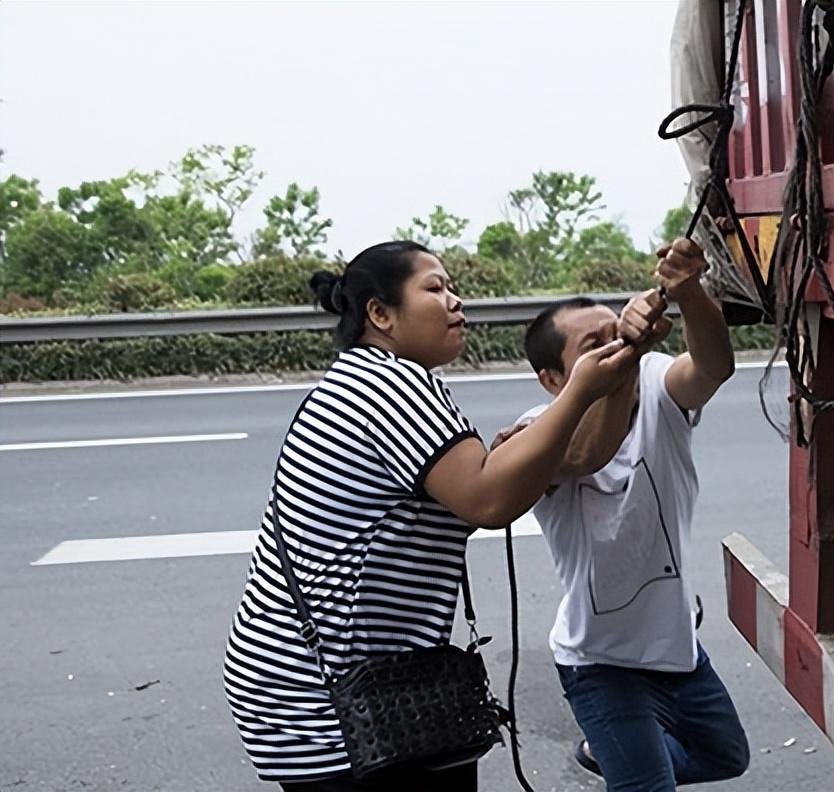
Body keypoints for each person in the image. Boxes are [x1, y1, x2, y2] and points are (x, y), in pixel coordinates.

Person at [222, 241, 639, 791]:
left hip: (351, 678)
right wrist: (581, 387)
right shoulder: (388, 385)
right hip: (328, 695)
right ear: (380, 313)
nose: (456, 302)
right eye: (435, 288)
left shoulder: (373, 377)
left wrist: (625, 365)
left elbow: (581, 457)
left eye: (453, 288)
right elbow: (488, 500)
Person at [498, 238, 750, 791]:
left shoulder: (657, 382)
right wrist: (628, 353)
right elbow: (587, 453)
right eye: (596, 344)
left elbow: (714, 365)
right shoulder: (538, 430)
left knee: (727, 756)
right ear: (552, 380)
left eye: (618, 329)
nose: (616, 343)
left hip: (674, 644)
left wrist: (687, 291)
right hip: (601, 662)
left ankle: (615, 754)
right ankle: (628, 757)